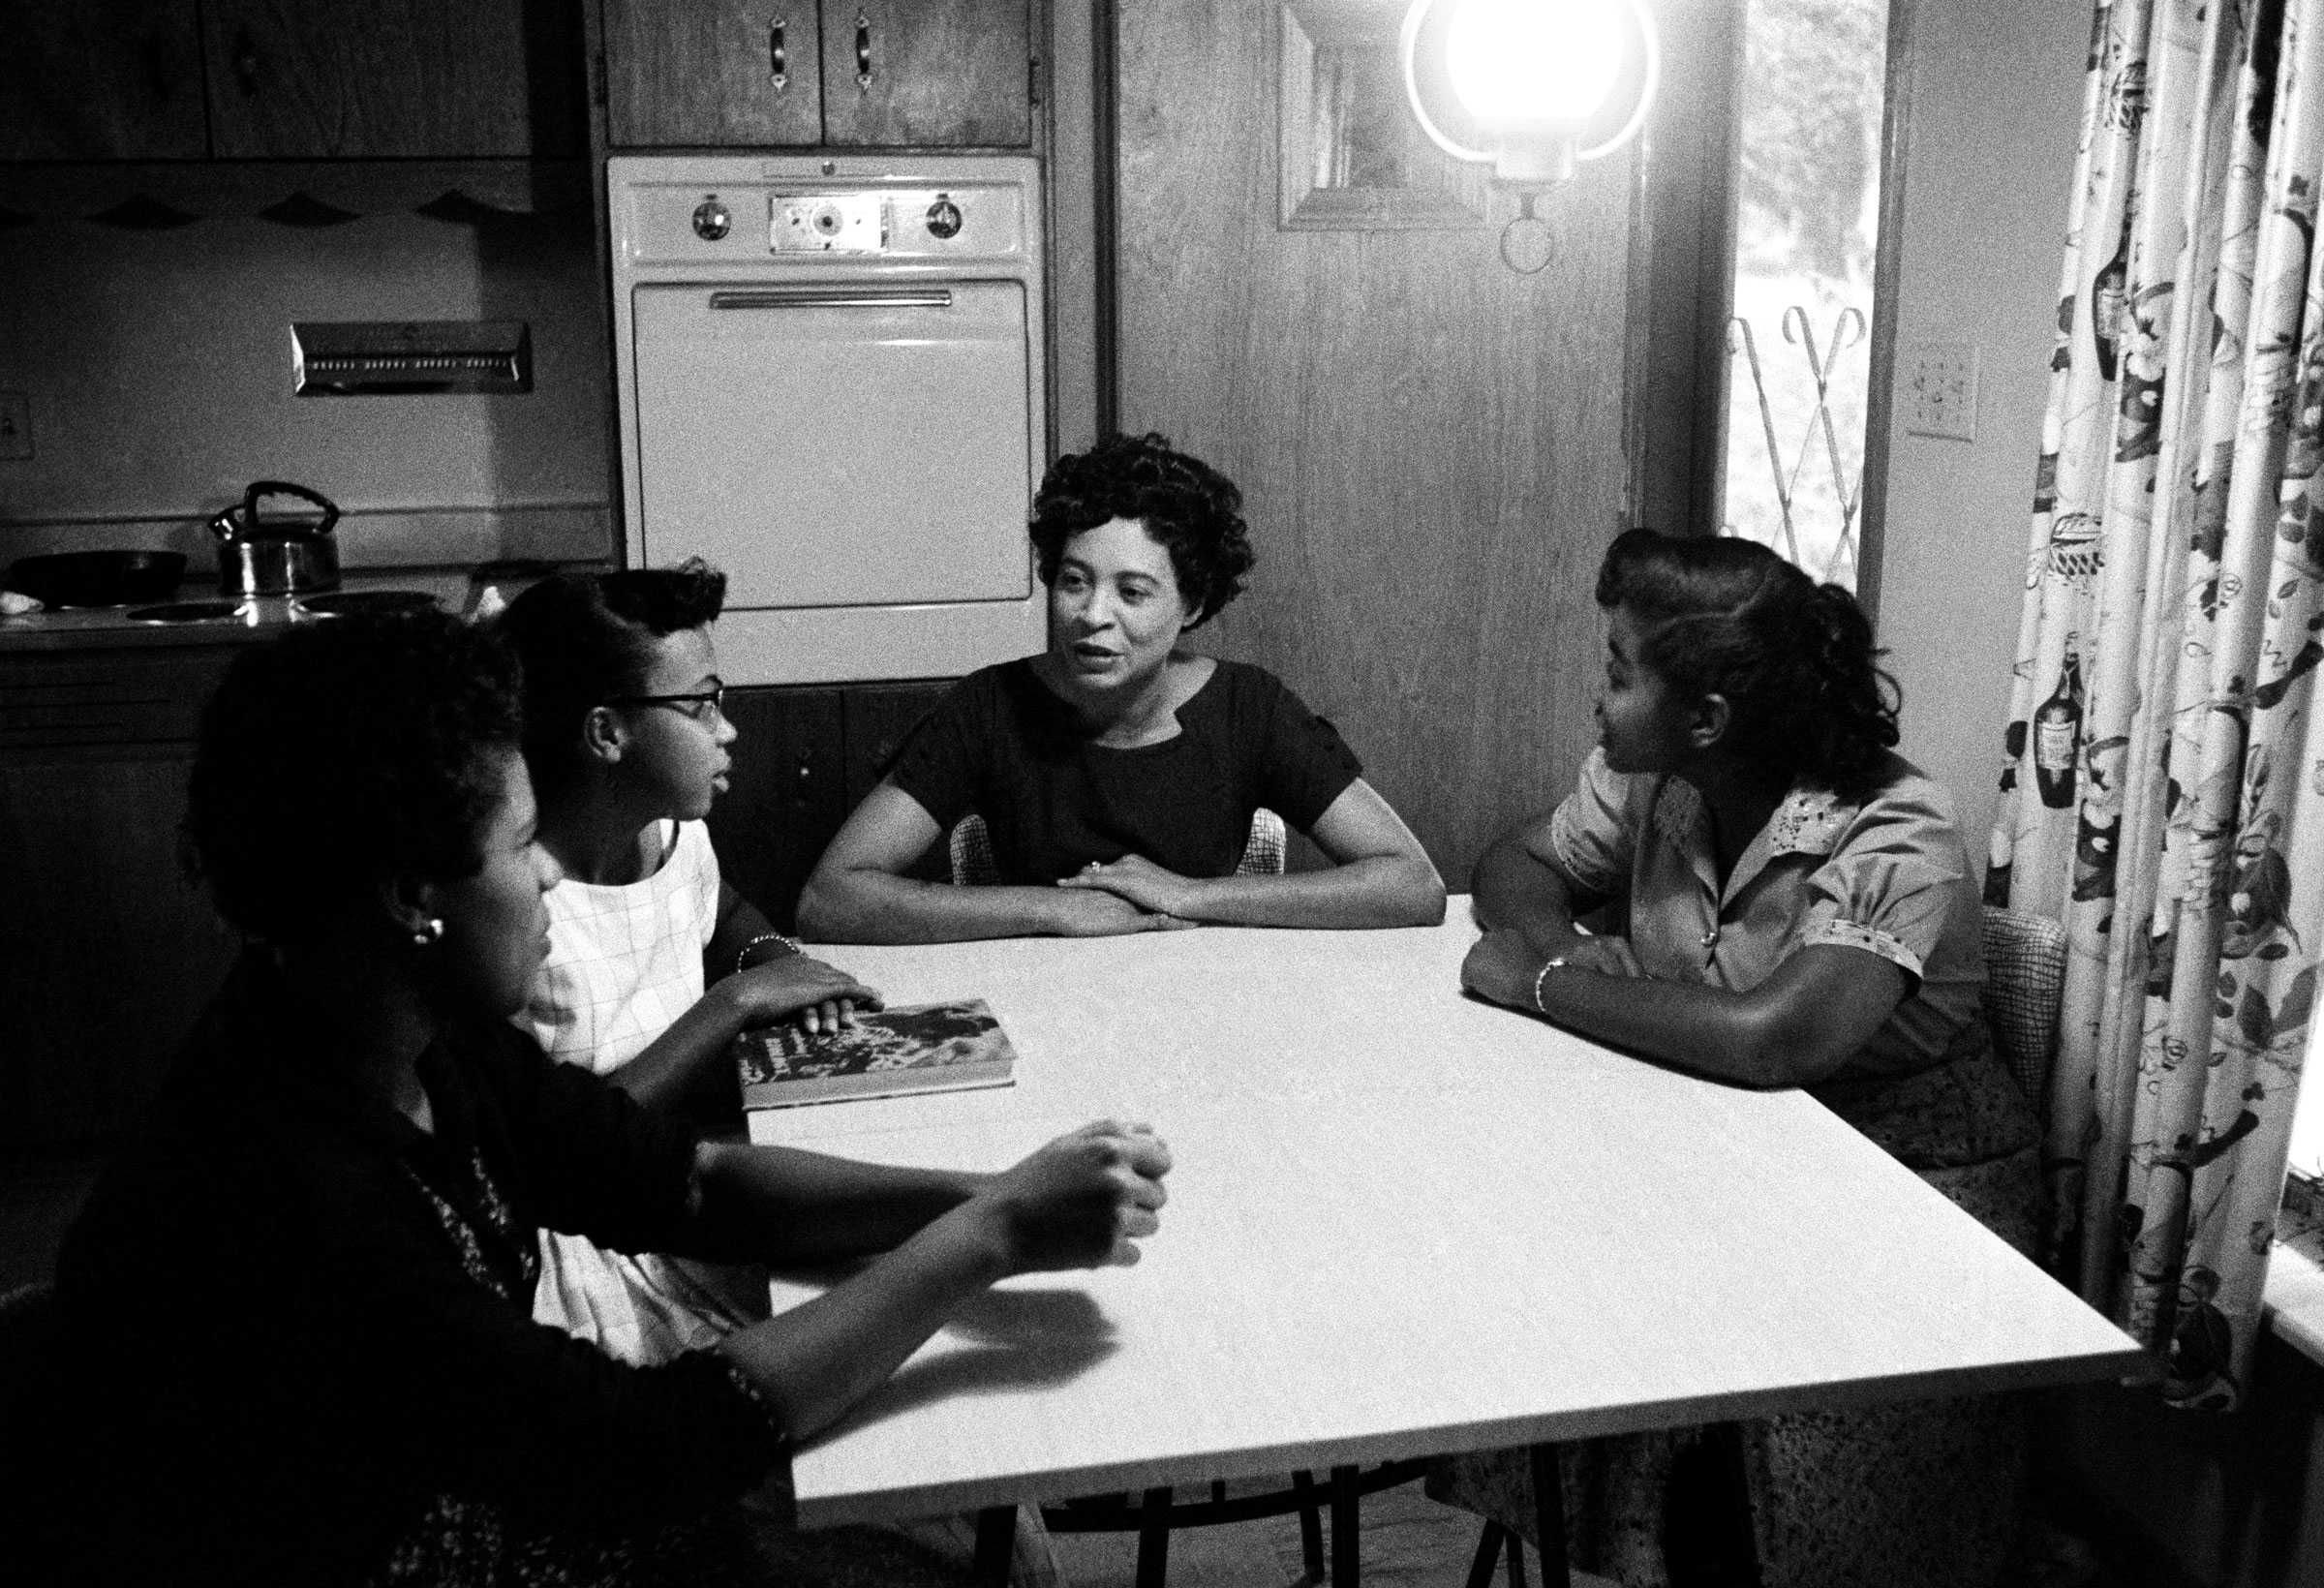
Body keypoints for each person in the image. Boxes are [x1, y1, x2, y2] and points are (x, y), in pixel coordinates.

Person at [11, 611, 1170, 1586]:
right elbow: (643, 1449)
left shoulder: (400, 1032)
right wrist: (993, 1232)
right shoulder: (289, 1189)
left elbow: (686, 1182)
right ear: (413, 892)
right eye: (523, 845)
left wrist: (989, 1193)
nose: (553, 870)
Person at [1435, 529, 2041, 1588]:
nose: (1599, 698)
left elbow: (1774, 1039)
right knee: (1549, 1287)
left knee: (1764, 1465)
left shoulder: (1896, 832)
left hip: (1909, 1189)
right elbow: (1513, 859)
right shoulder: (1658, 783)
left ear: (1707, 717)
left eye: (1620, 675)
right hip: (1725, 1143)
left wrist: (1543, 986)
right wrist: (1566, 946)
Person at [797, 432, 1446, 943]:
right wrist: (1055, 911)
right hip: (1044, 998)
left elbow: (1412, 884)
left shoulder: (1251, 708)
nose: (1091, 615)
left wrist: (1189, 894)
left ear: (1192, 606)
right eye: (1074, 581)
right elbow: (831, 900)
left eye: (1131, 592)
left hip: (1206, 998)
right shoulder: (989, 705)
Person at [495, 561, 874, 1365]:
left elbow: (721, 915)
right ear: (606, 732)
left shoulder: (674, 834)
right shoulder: (518, 913)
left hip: (676, 1186)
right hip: (574, 1249)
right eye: (701, 705)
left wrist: (778, 963)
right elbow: (560, 1156)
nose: (726, 728)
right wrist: (735, 1003)